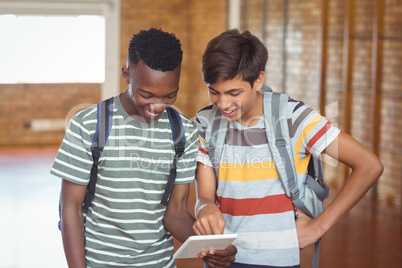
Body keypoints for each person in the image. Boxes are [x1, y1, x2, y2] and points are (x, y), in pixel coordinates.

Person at [192, 29, 384, 268]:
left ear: (258, 80)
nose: (223, 104)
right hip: (222, 257)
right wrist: (205, 207)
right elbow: (206, 195)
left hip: (277, 259)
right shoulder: (205, 121)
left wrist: (318, 227)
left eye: (234, 93)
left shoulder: (294, 117)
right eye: (214, 92)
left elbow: (369, 165)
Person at [51, 28, 236, 268]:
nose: (158, 106)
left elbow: (176, 213)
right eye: (146, 94)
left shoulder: (184, 133)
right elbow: (71, 209)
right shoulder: (88, 125)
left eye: (170, 95)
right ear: (126, 75)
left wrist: (210, 247)